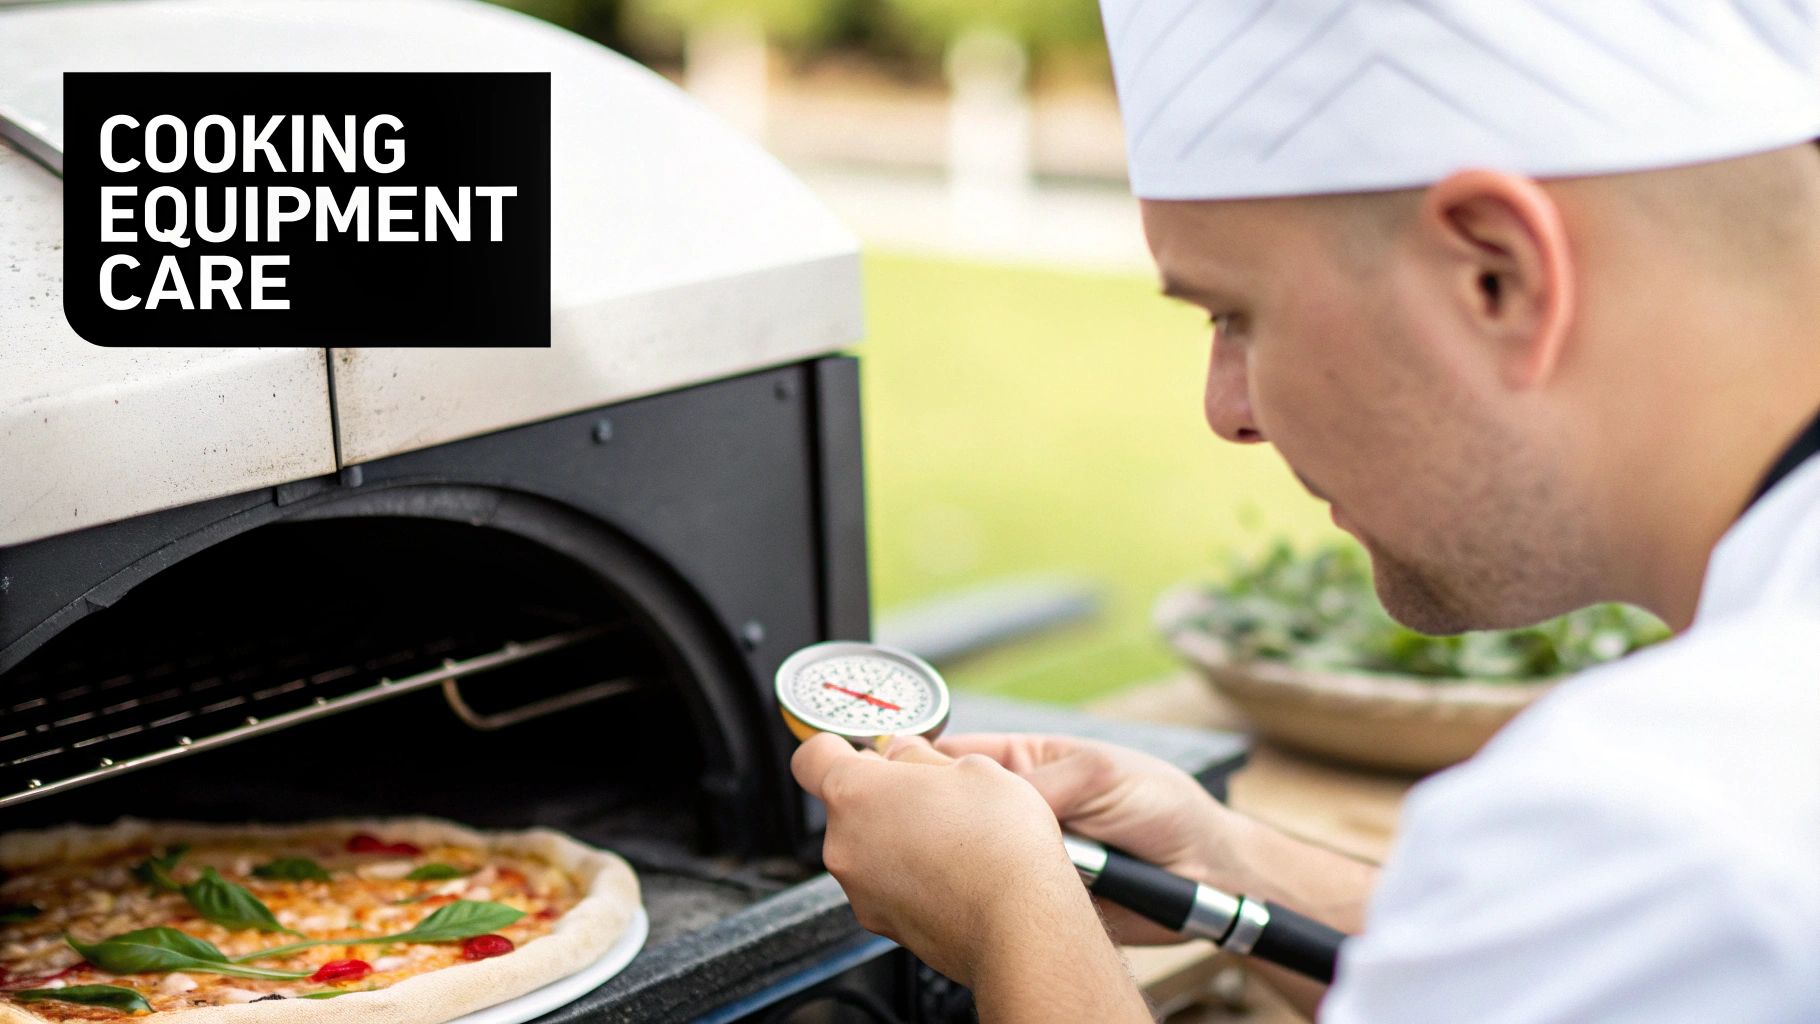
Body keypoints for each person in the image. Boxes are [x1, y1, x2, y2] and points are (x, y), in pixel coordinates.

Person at [792, 3, 1820, 1021]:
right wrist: (1227, 858)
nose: (1224, 411)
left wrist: (1014, 918)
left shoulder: (1679, 820)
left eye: (1237, 314)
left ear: (1495, 275)